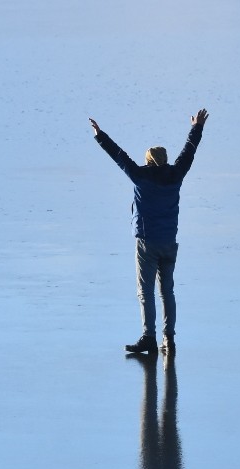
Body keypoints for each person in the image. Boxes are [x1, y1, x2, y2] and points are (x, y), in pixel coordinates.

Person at [89, 109, 209, 354]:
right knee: (167, 291)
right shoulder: (176, 175)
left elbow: (119, 156)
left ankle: (149, 338)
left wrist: (100, 135)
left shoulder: (140, 176)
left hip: (146, 243)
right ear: (164, 160)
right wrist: (196, 128)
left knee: (146, 292)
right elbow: (189, 151)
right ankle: (169, 339)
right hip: (169, 242)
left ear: (148, 161)